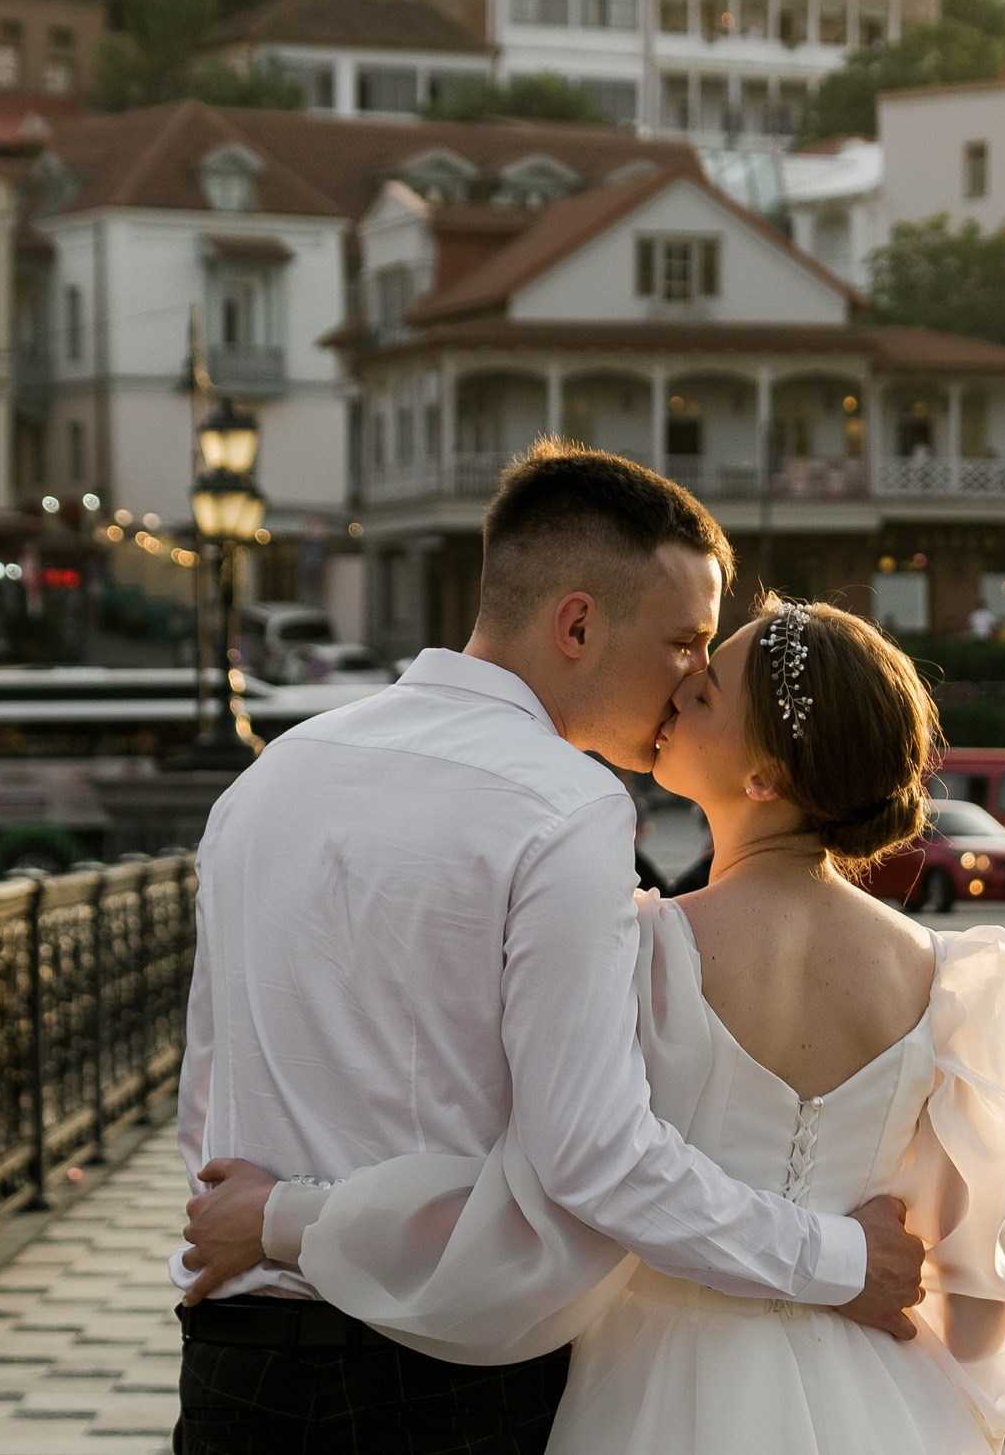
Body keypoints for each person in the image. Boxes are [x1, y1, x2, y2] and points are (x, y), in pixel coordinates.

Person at [167, 443, 933, 1454]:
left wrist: (265, 1229)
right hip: (440, 1377)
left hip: (239, 1354)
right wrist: (840, 1260)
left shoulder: (264, 783)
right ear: (576, 623)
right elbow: (594, 1156)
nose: (696, 675)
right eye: (685, 640)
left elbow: (206, 1100)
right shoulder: (562, 804)